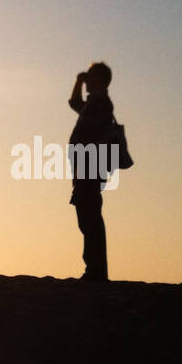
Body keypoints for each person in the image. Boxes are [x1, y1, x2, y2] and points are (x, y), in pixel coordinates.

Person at [67, 61, 115, 281]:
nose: (87, 80)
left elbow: (92, 135)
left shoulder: (101, 103)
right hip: (86, 165)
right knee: (87, 215)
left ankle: (95, 271)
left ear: (100, 80)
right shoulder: (95, 102)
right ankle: (95, 270)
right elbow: (74, 102)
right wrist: (79, 81)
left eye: (91, 77)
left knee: (89, 216)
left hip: (90, 165)